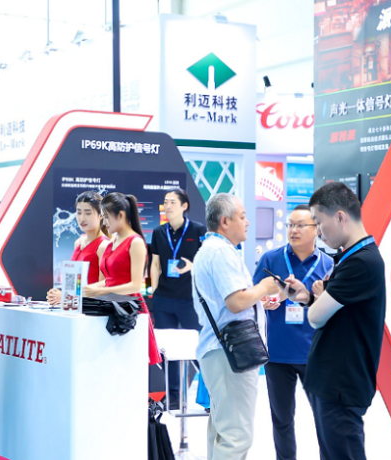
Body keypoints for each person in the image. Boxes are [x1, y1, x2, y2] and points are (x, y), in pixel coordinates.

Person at [287, 182, 385, 460]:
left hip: (341, 384)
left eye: (319, 222)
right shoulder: (352, 257)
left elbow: (316, 317)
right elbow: (336, 312)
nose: (318, 231)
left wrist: (318, 301)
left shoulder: (361, 262)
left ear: (340, 217)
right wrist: (310, 297)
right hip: (332, 382)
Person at [192, 193, 280, 460]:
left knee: (222, 431)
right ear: (225, 221)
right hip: (229, 354)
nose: (247, 222)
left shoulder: (212, 250)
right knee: (236, 436)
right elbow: (235, 302)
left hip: (220, 351)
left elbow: (229, 301)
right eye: (242, 217)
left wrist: (259, 302)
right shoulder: (221, 252)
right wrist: (263, 287)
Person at [252, 205, 333, 460]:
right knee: (282, 420)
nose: (293, 230)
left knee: (325, 419)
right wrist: (265, 300)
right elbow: (253, 294)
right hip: (277, 353)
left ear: (316, 229)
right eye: (290, 225)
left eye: (300, 225)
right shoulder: (271, 259)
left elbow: (336, 308)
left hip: (315, 354)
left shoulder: (328, 264)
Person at [83, 192, 161, 365]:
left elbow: (135, 285)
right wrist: (91, 289)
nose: (104, 222)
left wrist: (100, 291)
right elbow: (110, 279)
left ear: (120, 215)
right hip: (111, 306)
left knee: (131, 364)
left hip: (129, 310)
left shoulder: (135, 242)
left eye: (106, 217)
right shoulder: (112, 242)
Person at [149, 188, 206, 408]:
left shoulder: (198, 230)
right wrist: (155, 290)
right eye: (166, 202)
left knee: (200, 348)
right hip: (164, 299)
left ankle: (209, 394)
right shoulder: (158, 232)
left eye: (173, 202)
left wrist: (193, 266)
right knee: (169, 349)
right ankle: (173, 397)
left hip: (190, 300)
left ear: (184, 206)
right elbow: (155, 264)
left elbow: (206, 261)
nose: (168, 206)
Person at [47, 191, 110, 305]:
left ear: (101, 215)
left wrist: (67, 295)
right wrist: (59, 294)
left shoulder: (103, 245)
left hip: (94, 308)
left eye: (88, 213)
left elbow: (105, 286)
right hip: (76, 306)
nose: (82, 218)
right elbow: (75, 281)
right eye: (79, 213)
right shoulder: (78, 243)